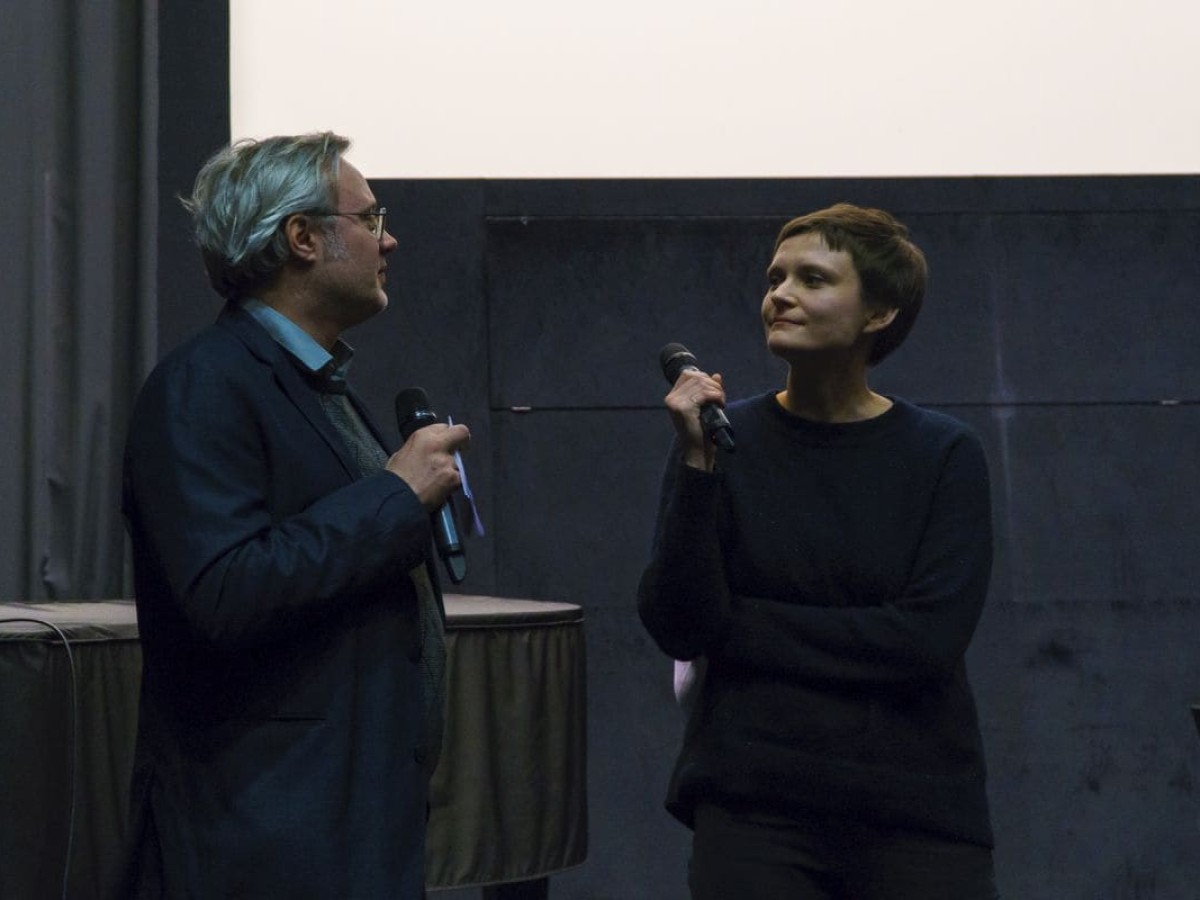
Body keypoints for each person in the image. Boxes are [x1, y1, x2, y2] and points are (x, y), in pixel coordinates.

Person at [121, 132, 470, 898]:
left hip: (345, 832)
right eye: (371, 217)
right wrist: (394, 496)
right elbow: (224, 592)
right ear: (303, 237)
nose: (392, 238)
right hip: (261, 841)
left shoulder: (316, 388)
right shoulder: (203, 386)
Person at [638, 203, 998, 899]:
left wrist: (740, 629)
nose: (780, 294)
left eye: (812, 278)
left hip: (915, 809)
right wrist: (695, 469)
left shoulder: (944, 455)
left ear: (879, 312)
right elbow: (680, 623)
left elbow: (926, 639)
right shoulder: (718, 442)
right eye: (775, 277)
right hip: (753, 806)